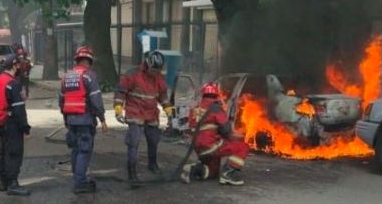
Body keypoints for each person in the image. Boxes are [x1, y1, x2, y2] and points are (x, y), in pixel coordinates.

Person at [113, 50, 173, 185]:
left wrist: (169, 111)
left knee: (153, 141)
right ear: (147, 64)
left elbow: (163, 97)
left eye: (158, 70)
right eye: (153, 70)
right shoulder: (132, 74)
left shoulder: (158, 78)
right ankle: (132, 173)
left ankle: (152, 164)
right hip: (135, 112)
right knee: (133, 142)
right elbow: (121, 93)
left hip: (151, 113)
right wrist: (118, 109)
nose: (155, 73)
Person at [59, 46, 108, 194]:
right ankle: (80, 183)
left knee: (75, 149)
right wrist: (102, 119)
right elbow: (96, 100)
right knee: (84, 151)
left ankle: (77, 177)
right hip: (85, 120)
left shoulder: (66, 76)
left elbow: (61, 100)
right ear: (89, 60)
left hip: (71, 120)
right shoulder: (89, 76)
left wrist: (66, 119)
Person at [180, 82, 249, 186]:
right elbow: (226, 130)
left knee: (212, 173)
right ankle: (229, 174)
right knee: (242, 147)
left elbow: (191, 126)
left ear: (203, 94)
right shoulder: (215, 108)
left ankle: (192, 170)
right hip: (210, 145)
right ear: (216, 94)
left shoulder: (195, 108)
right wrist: (238, 136)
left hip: (198, 147)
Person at [0, 54, 31, 196]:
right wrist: (25, 126)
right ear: (14, 65)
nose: (20, 67)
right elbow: (19, 108)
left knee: (2, 152)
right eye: (18, 65)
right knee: (14, 152)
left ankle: (3, 182)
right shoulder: (13, 83)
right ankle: (13, 184)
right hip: (10, 121)